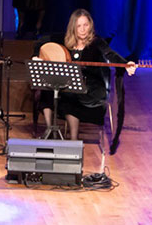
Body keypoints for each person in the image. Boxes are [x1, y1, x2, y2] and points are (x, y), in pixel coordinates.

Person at [34, 9, 137, 140]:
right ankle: (50, 130)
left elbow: (110, 54)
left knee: (71, 96)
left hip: (91, 89)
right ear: (73, 28)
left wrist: (126, 64)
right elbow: (41, 41)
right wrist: (36, 56)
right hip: (69, 87)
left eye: (86, 25)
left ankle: (73, 140)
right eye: (78, 26)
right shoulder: (65, 40)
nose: (82, 30)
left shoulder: (96, 42)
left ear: (90, 26)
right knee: (48, 90)